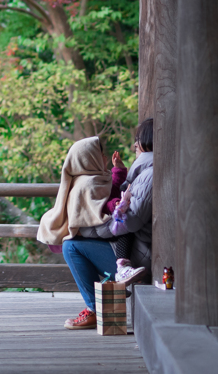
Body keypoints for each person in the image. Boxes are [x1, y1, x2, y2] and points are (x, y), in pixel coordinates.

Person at [60, 118, 154, 331]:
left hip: (139, 255)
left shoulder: (147, 174)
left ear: (148, 141)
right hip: (136, 247)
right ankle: (97, 307)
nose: (134, 145)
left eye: (138, 140)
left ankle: (96, 309)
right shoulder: (144, 171)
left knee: (71, 246)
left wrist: (85, 231)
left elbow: (128, 221)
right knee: (72, 243)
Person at [36, 135, 115, 252]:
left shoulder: (95, 178)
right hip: (95, 238)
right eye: (101, 155)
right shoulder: (88, 184)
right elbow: (99, 212)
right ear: (90, 159)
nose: (105, 158)